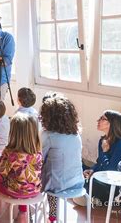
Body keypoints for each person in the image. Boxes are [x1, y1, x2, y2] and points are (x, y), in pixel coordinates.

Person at [0, 113, 43, 223]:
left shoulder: (10, 154)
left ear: (13, 133)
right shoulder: (38, 153)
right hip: (34, 190)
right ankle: (23, 214)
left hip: (14, 191)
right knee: (25, 181)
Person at [73, 110, 121, 206]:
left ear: (112, 123)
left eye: (102, 119)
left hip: (116, 184)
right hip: (103, 177)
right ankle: (88, 195)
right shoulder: (103, 140)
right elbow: (99, 163)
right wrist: (92, 170)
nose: (98, 121)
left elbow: (112, 171)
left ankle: (94, 197)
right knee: (77, 167)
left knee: (88, 182)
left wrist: (105, 152)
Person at [40, 94, 84, 223]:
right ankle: (52, 216)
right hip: (77, 182)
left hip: (56, 185)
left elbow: (39, 159)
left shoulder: (47, 135)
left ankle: (32, 214)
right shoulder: (76, 135)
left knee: (35, 174)